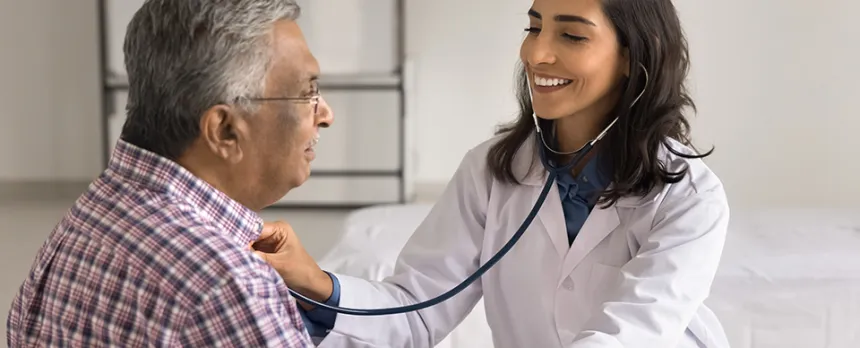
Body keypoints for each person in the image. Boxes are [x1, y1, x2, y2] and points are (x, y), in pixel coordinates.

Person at [252, 0, 732, 347]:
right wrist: (314, 280)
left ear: (633, 55)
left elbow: (633, 334)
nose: (536, 53)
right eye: (534, 26)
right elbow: (415, 312)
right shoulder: (491, 171)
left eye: (571, 34)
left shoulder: (689, 196)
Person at [5, 0, 333, 346]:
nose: (325, 114)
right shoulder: (230, 284)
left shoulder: (88, 216)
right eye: (307, 92)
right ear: (224, 131)